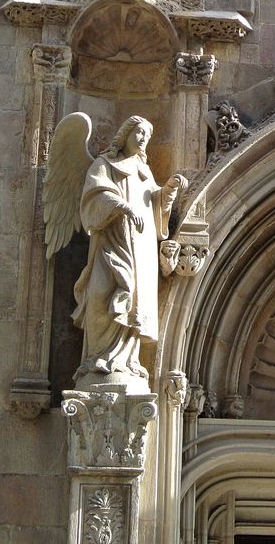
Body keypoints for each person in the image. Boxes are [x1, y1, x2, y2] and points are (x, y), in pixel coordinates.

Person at [71, 116, 185, 385]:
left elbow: (154, 204)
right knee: (102, 293)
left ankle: (126, 360)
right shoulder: (104, 165)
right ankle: (97, 357)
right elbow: (94, 195)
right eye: (139, 133)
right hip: (111, 243)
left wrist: (167, 191)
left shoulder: (143, 172)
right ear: (126, 135)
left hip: (140, 247)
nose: (143, 138)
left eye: (147, 134)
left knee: (133, 300)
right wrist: (122, 207)